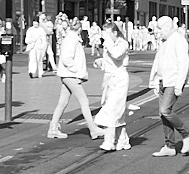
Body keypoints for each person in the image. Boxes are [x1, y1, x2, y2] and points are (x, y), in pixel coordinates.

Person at [149, 16, 189, 157]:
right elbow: (159, 63)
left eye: (161, 29)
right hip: (163, 81)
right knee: (162, 114)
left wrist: (179, 84)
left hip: (173, 81)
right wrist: (155, 81)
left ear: (168, 27)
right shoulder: (165, 42)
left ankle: (187, 135)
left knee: (165, 110)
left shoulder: (178, 40)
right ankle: (169, 146)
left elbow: (183, 63)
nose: (159, 32)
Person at [47, 15, 97, 139]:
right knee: (84, 101)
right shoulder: (72, 39)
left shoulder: (70, 38)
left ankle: (53, 128)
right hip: (70, 75)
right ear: (79, 29)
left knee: (62, 102)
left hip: (67, 74)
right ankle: (93, 129)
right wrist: (75, 71)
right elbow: (66, 58)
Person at [93, 22, 131, 150]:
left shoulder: (123, 43)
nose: (106, 38)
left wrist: (108, 41)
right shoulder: (109, 44)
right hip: (109, 79)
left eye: (108, 34)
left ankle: (109, 141)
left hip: (119, 79)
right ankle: (123, 140)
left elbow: (117, 55)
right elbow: (111, 61)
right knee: (117, 111)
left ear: (115, 33)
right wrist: (101, 62)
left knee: (111, 109)